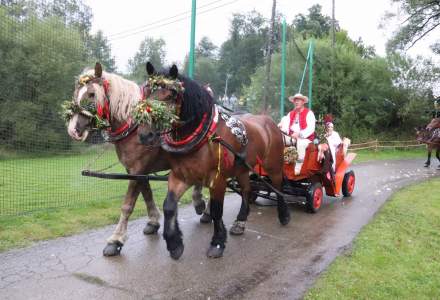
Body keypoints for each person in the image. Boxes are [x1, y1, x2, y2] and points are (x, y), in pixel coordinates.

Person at [278, 93, 316, 172]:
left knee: (300, 143)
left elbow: (311, 128)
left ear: (303, 102)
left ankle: (298, 167)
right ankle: (279, 162)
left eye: (298, 100)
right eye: (295, 100)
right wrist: (281, 129)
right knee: (278, 139)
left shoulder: (309, 113)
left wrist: (299, 134)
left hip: (305, 138)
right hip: (292, 137)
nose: (296, 102)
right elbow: (286, 129)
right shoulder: (290, 114)